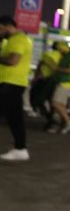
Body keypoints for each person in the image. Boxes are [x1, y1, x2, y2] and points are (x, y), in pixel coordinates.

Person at [0, 15, 33, 161]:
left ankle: (20, 148)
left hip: (12, 83)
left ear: (8, 26)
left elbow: (13, 60)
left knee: (15, 117)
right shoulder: (11, 40)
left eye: (0, 29)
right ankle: (20, 148)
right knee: (14, 117)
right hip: (9, 83)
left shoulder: (19, 40)